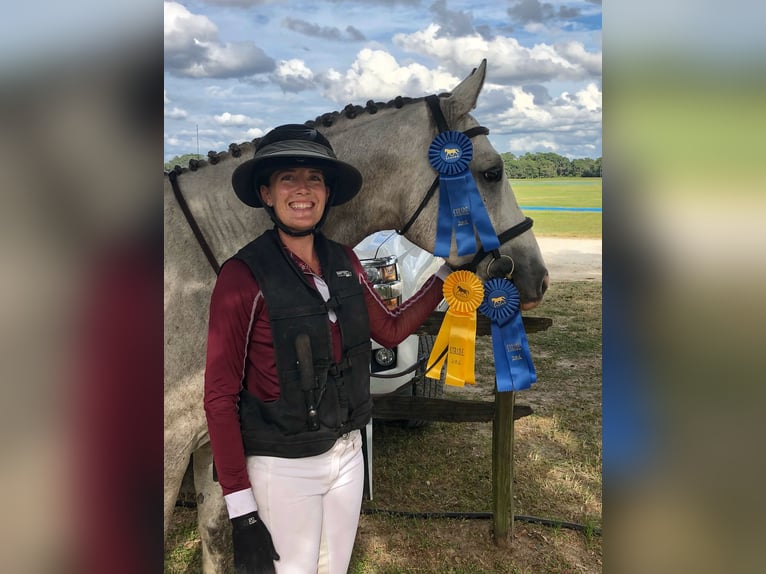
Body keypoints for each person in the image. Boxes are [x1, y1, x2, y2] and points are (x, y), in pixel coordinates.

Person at [204, 124, 451, 574]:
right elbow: (219, 398)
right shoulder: (241, 277)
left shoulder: (345, 261)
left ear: (327, 193)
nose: (303, 189)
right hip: (281, 467)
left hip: (347, 455)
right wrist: (241, 511)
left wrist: (445, 277)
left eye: (314, 178)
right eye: (288, 178)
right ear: (266, 193)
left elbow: (392, 330)